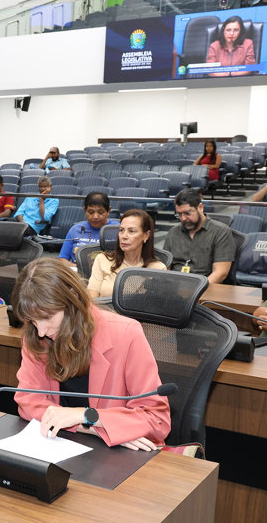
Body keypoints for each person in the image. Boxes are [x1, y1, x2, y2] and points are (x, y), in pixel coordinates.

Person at [12, 258, 170, 450]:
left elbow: (157, 419)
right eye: (32, 320)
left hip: (116, 455)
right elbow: (28, 402)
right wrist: (97, 429)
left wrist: (85, 415)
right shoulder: (36, 337)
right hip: (65, 444)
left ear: (72, 299)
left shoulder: (126, 334)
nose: (41, 331)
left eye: (47, 317)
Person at [87, 209, 166, 298]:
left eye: (131, 231)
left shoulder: (158, 268)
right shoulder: (103, 259)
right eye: (121, 230)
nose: (124, 236)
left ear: (146, 235)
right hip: (104, 307)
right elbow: (91, 299)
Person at [164, 188, 234, 284]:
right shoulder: (173, 233)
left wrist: (198, 290)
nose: (183, 218)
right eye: (179, 214)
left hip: (204, 286)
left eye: (187, 213)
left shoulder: (221, 231)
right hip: (175, 285)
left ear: (200, 207)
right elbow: (165, 267)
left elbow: (220, 273)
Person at [58, 191, 119, 267]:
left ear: (108, 210)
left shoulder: (117, 229)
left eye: (100, 212)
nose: (95, 217)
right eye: (90, 212)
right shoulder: (75, 230)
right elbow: (62, 259)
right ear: (84, 210)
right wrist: (77, 268)